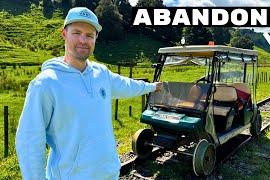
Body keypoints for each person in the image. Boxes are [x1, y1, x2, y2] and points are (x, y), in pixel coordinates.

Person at [15, 7, 162, 180]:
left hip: (109, 173)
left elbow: (126, 85)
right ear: (64, 34)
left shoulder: (101, 73)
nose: (83, 40)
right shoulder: (45, 84)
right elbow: (29, 141)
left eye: (89, 35)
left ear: (95, 38)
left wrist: (152, 87)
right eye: (77, 33)